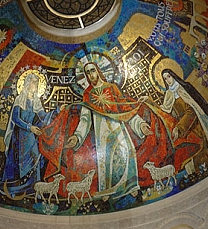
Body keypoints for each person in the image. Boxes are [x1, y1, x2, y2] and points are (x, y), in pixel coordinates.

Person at [39, 61, 174, 200]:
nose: (91, 75)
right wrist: (77, 137)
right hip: (101, 133)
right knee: (104, 159)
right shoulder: (88, 94)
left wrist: (140, 124)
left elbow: (125, 108)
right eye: (88, 73)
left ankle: (131, 186)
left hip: (118, 128)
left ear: (98, 71)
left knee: (128, 152)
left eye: (93, 70)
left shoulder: (111, 88)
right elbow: (85, 119)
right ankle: (108, 190)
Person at [0, 72, 53, 197]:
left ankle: (32, 190)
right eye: (34, 82)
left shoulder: (36, 101)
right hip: (19, 136)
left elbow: (43, 118)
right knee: (17, 163)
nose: (36, 85)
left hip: (30, 137)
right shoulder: (20, 99)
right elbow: (15, 119)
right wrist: (30, 127)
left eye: (37, 83)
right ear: (28, 83)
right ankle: (14, 189)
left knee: (35, 158)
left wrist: (56, 111)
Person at [160, 69, 208, 159]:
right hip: (185, 127)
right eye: (165, 79)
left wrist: (179, 127)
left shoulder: (186, 87)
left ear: (173, 75)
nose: (168, 80)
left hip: (197, 121)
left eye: (169, 76)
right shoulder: (168, 95)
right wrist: (148, 100)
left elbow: (194, 108)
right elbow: (164, 111)